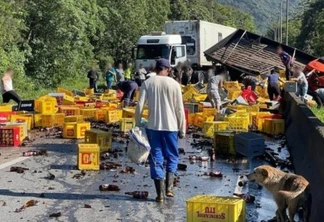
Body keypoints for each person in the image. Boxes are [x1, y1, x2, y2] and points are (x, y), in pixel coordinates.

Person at [135, 58, 186, 203]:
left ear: (155, 68)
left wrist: (138, 124)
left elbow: (139, 106)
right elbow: (179, 109)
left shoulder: (147, 83)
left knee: (156, 158)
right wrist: (182, 128)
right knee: (172, 156)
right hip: (171, 127)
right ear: (168, 69)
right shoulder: (175, 84)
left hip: (153, 127)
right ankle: (169, 188)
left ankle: (160, 195)